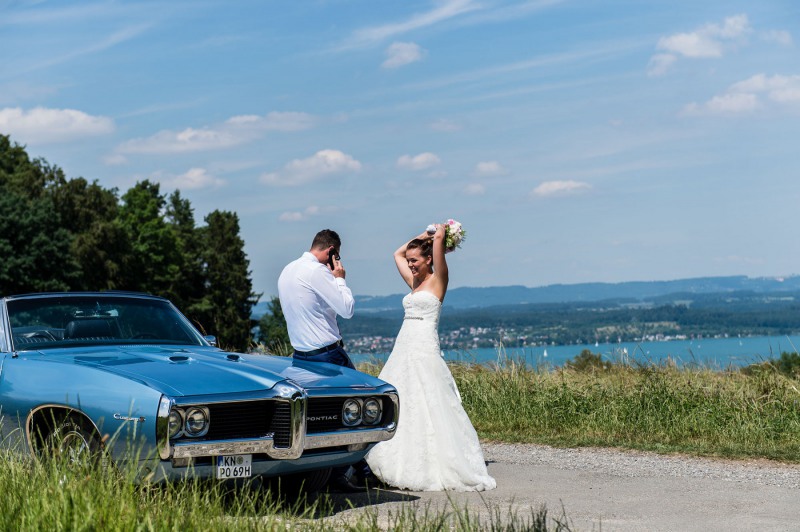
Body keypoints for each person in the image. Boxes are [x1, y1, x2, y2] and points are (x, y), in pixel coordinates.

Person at [365, 224, 496, 491]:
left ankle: (434, 462)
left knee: (429, 400)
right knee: (403, 398)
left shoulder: (438, 281)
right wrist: (421, 237)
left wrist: (439, 234)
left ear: (429, 260)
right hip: (404, 346)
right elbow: (396, 255)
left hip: (424, 346)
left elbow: (436, 249)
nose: (411, 265)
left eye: (416, 261)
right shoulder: (414, 282)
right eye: (411, 262)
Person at [277, 228, 365, 491]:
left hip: (301, 356)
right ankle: (354, 471)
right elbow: (346, 309)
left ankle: (342, 472)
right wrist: (339, 278)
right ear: (331, 252)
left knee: (321, 415)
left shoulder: (287, 270)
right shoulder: (318, 271)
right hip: (328, 354)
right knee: (360, 407)